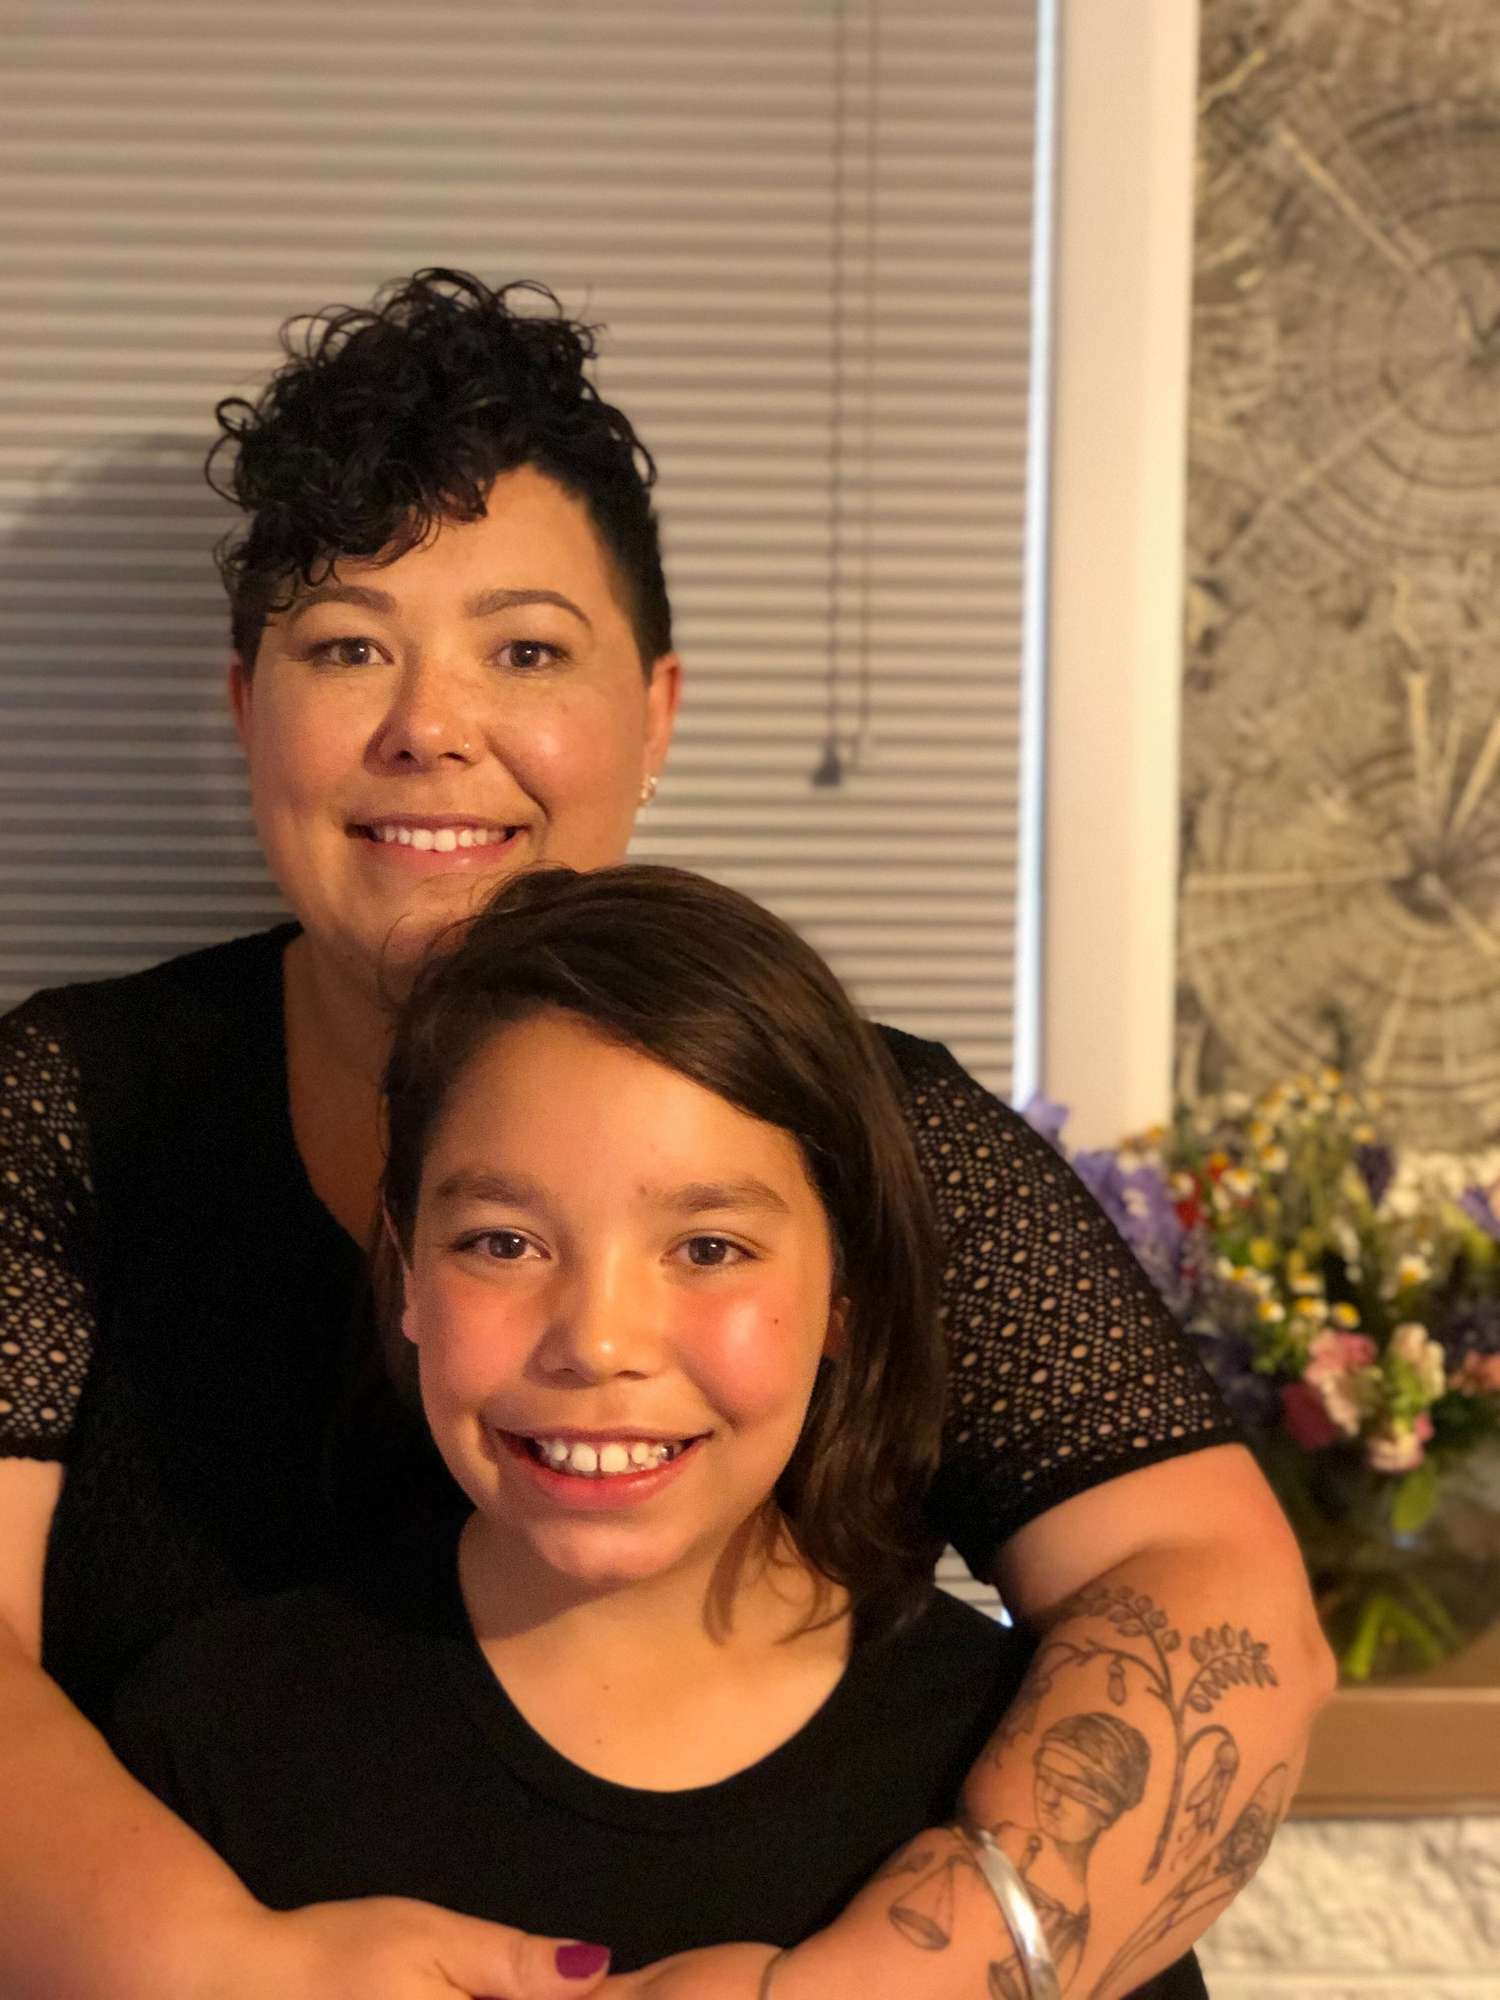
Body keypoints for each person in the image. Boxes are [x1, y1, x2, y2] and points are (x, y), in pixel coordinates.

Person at [0, 269, 1333, 2000]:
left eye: (526, 650)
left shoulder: (862, 1123)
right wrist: (231, 1972)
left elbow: (1209, 1601)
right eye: (347, 648)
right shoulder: (72, 1112)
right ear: (250, 711)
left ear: (659, 711)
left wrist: (859, 1993)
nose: (431, 727)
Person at [112, 861, 1205, 1993]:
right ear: (408, 1268)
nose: (597, 1341)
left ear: (844, 1288)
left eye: (708, 1248)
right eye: (503, 1243)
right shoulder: (214, 1740)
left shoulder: (1027, 1773)